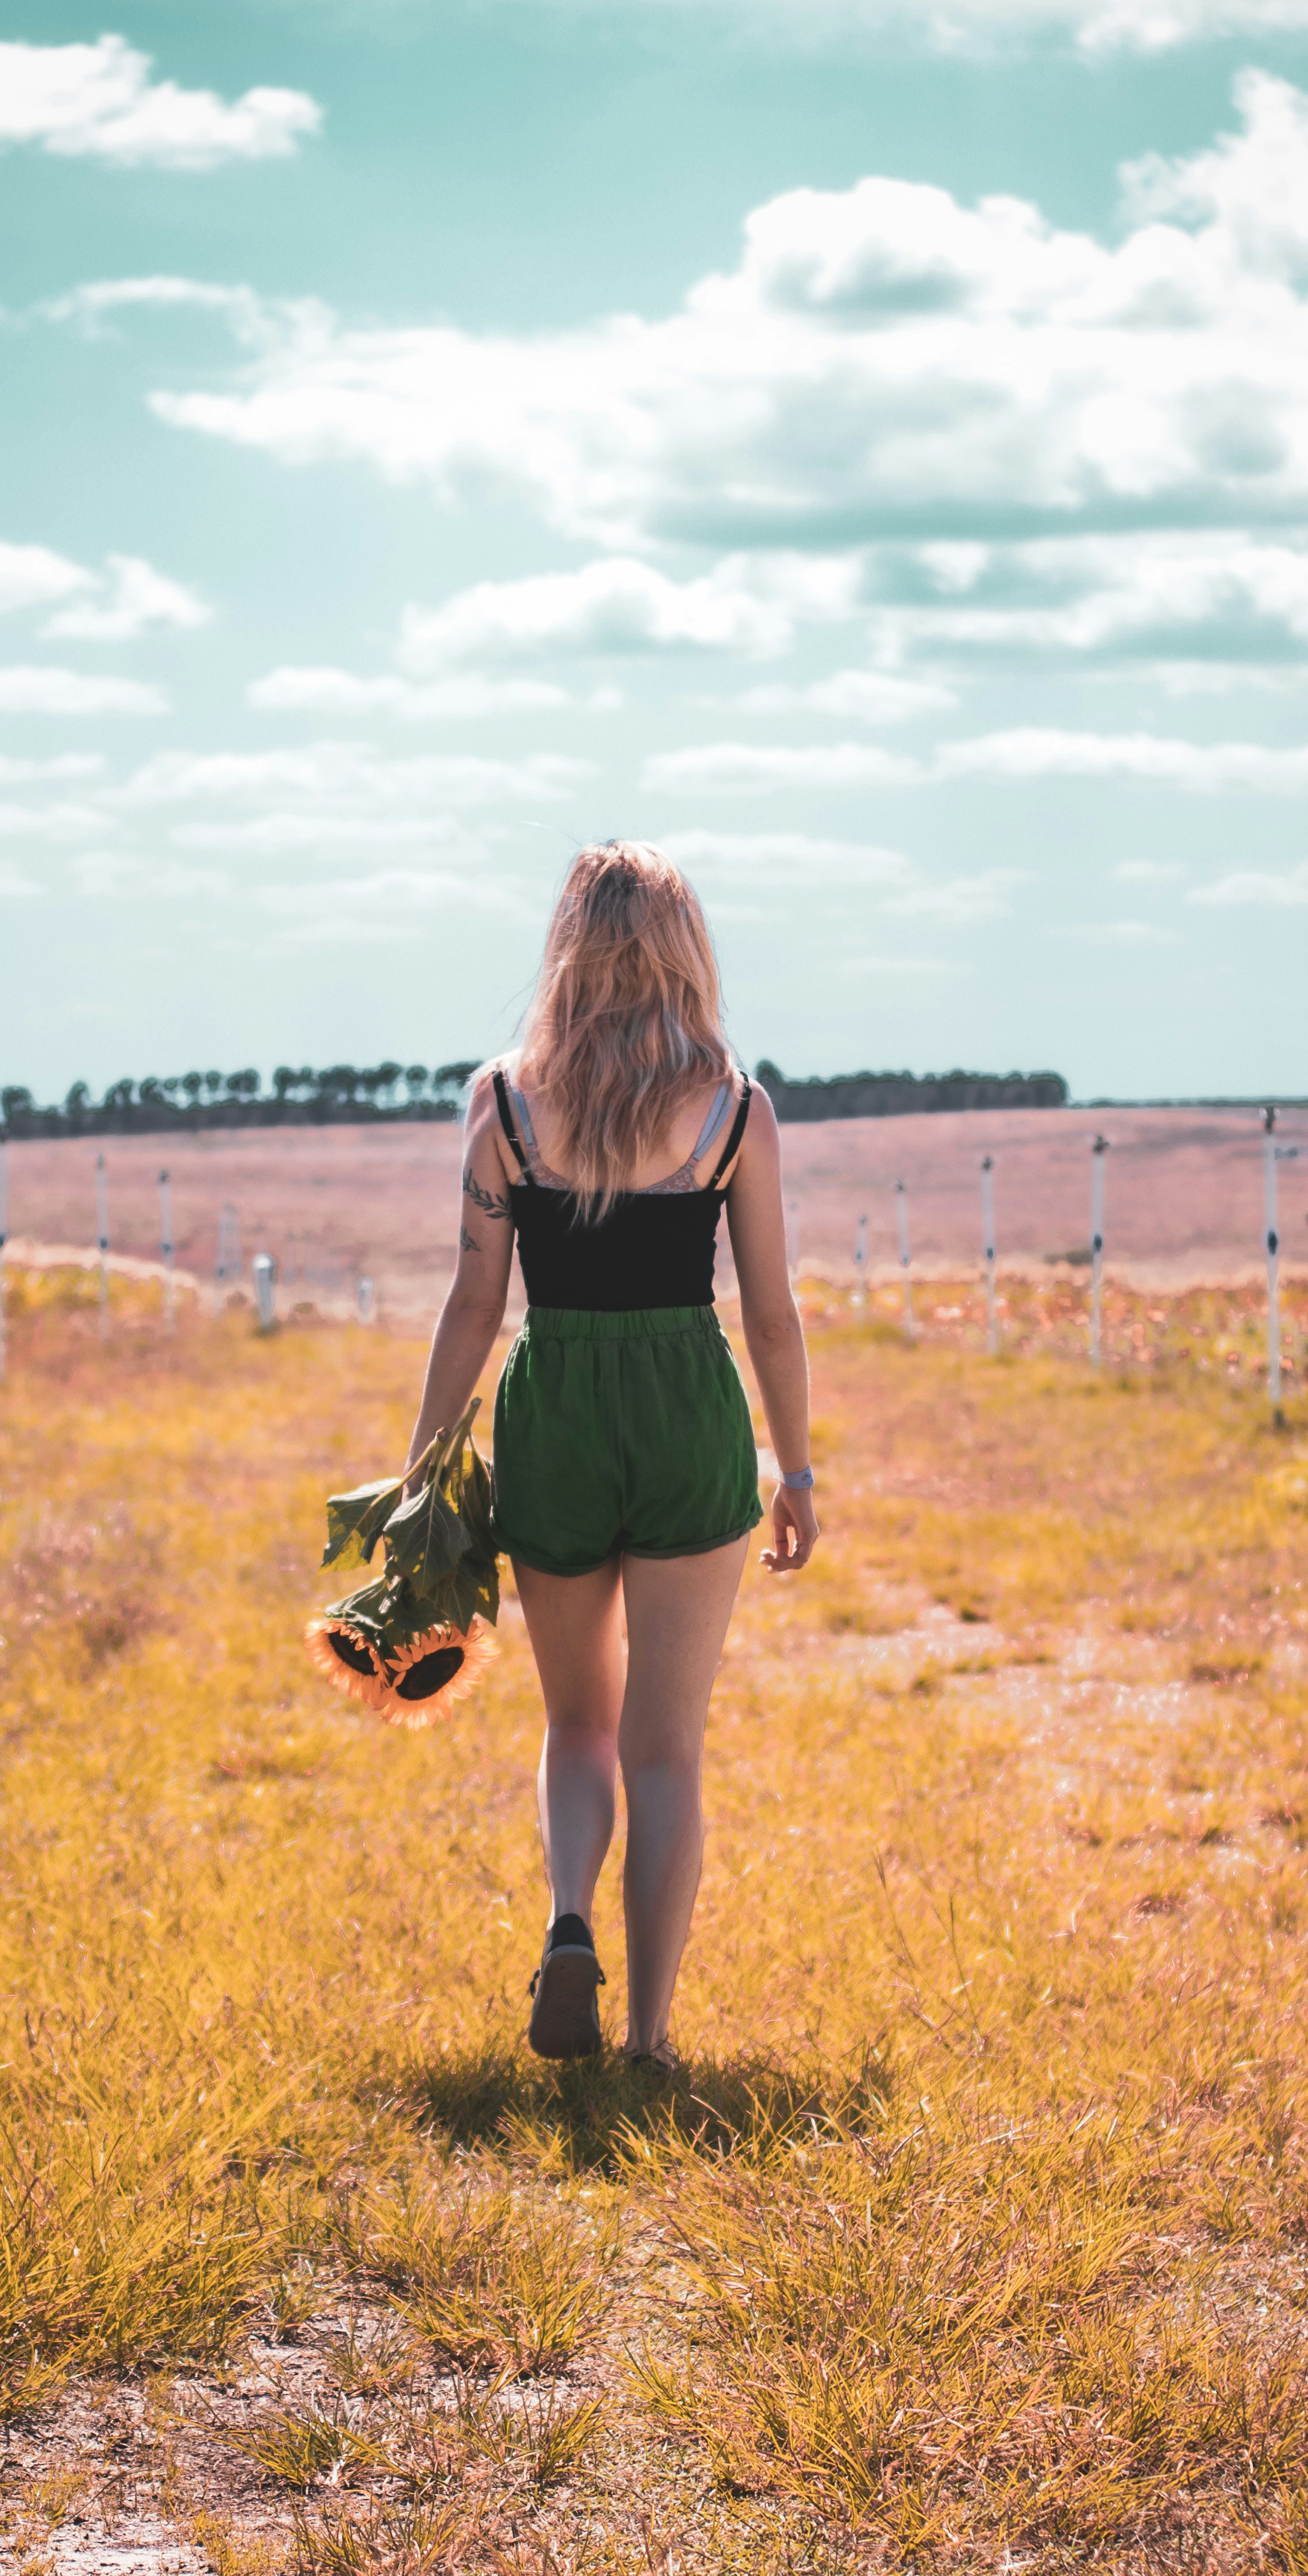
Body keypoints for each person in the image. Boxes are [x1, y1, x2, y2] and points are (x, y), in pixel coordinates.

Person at [404, 841, 820, 2073]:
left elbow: (474, 1301)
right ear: (684, 951)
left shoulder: (504, 1104)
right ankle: (645, 2039)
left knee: (576, 1725)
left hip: (558, 1418)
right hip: (686, 1414)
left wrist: (422, 1469)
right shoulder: (734, 1109)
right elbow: (771, 1311)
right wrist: (793, 1472)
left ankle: (568, 1920)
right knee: (665, 1747)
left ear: (567, 948)